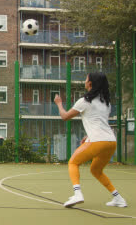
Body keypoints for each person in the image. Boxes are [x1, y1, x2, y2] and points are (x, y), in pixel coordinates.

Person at [54, 72, 127, 208]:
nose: (84, 81)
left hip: (98, 140)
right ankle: (118, 198)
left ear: (91, 83)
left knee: (73, 163)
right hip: (111, 141)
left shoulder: (84, 101)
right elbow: (100, 122)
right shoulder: (106, 103)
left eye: (86, 79)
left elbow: (65, 116)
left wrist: (59, 104)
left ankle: (77, 194)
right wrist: (88, 136)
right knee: (96, 170)